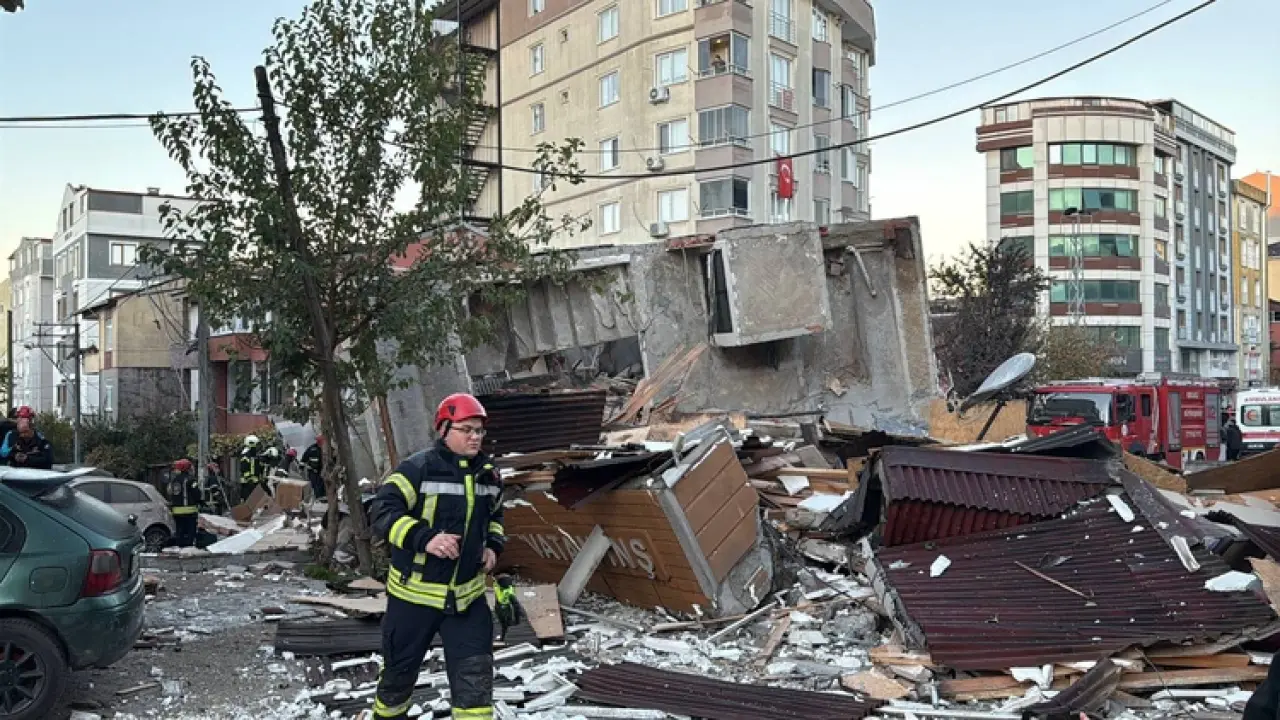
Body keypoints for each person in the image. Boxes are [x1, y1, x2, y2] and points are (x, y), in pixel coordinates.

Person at [368, 393, 505, 720]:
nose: (475, 437)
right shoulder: (417, 469)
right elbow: (381, 511)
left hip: (467, 601)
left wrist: (493, 547)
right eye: (466, 429)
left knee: (475, 691)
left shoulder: (489, 474)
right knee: (396, 683)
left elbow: (497, 517)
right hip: (412, 601)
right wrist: (425, 538)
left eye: (479, 431)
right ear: (443, 429)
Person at [166, 459, 202, 547]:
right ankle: (188, 548)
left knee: (179, 531)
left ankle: (180, 546)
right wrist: (199, 501)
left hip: (176, 512)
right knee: (190, 532)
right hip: (189, 511)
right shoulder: (191, 480)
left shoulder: (174, 481)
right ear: (187, 468)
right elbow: (196, 493)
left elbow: (170, 493)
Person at [238, 434, 262, 504]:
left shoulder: (253, 455)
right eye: (256, 445)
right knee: (248, 501)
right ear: (251, 444)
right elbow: (244, 469)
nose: (257, 447)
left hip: (253, 482)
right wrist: (250, 478)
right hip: (248, 483)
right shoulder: (246, 455)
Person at [302, 436, 325, 500]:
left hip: (322, 471)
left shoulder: (327, 449)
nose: (319, 442)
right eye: (318, 440)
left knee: (322, 485)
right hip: (313, 471)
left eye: (320, 441)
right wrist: (301, 468)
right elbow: (304, 458)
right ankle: (318, 498)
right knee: (315, 485)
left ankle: (322, 498)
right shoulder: (312, 448)